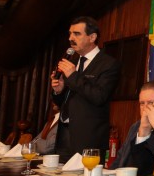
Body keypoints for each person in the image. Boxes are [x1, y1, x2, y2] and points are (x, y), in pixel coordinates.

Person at [52, 16, 121, 163]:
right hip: (64, 134)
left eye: (76, 34)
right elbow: (63, 102)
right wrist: (59, 90)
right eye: (70, 33)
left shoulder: (108, 64)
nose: (71, 38)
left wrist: (73, 76)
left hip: (89, 139)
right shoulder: (72, 61)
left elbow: (99, 96)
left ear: (92, 37)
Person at [109, 81, 154, 169]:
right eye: (142, 103)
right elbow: (120, 159)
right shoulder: (135, 127)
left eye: (151, 103)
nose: (145, 108)